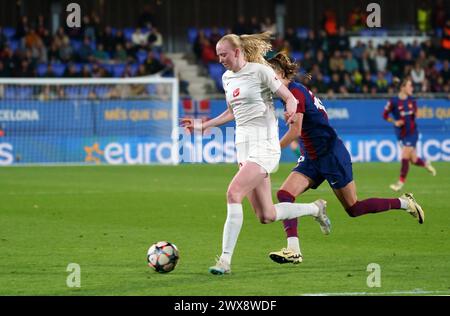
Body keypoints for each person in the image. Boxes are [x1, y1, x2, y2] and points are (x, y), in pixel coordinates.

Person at [181, 32, 330, 275]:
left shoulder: (260, 71)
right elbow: (231, 112)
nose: (220, 59)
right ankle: (315, 209)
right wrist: (203, 125)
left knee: (233, 193)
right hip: (244, 148)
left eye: (224, 54)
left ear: (237, 52)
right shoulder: (227, 78)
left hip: (265, 147)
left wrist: (291, 111)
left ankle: (225, 261)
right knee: (266, 214)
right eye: (218, 55)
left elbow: (289, 98)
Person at [266, 53, 426, 265]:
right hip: (312, 157)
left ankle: (405, 203)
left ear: (281, 74)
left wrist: (271, 150)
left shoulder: (295, 92)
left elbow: (295, 132)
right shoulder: (288, 94)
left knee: (354, 208)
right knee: (285, 194)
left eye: (270, 74)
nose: (267, 79)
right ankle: (293, 249)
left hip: (331, 155)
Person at [383, 77, 436, 192]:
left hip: (412, 133)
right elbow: (385, 115)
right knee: (413, 159)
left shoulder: (412, 100)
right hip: (401, 134)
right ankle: (426, 164)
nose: (412, 88)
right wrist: (395, 121)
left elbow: (415, 114)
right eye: (409, 85)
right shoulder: (393, 101)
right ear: (403, 87)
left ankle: (400, 183)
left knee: (404, 156)